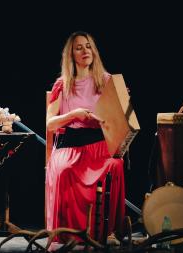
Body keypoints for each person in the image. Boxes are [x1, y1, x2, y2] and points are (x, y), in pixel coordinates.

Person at [45, 31, 125, 243]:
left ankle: (107, 233)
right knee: (64, 170)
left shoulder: (107, 81)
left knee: (115, 165)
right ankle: (67, 235)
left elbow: (121, 119)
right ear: (71, 54)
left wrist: (121, 104)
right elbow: (50, 124)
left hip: (98, 145)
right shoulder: (62, 84)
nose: (85, 51)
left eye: (88, 46)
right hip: (70, 146)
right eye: (79, 47)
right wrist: (74, 114)